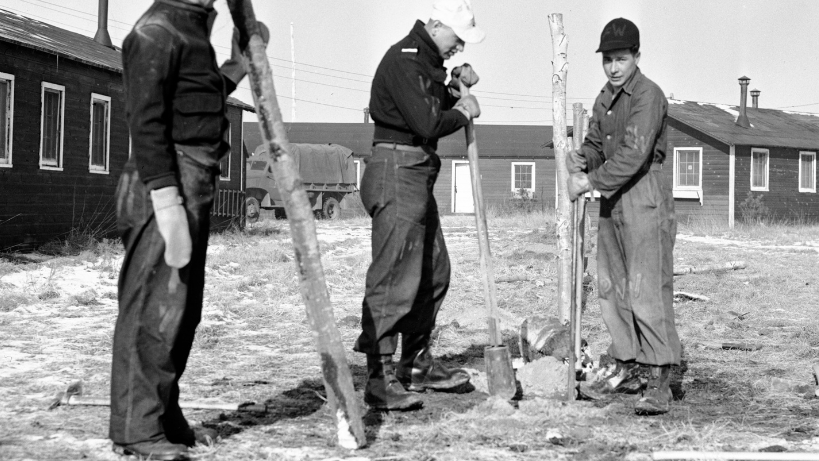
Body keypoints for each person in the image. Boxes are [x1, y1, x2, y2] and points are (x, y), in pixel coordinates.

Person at [109, 1, 266, 459]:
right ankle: (137, 429)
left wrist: (237, 65)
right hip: (165, 181)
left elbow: (198, 101)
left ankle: (163, 417)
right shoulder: (157, 31)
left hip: (193, 178)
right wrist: (165, 199)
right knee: (154, 311)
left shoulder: (189, 29)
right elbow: (146, 121)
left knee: (181, 311)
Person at [354, 0, 485, 411]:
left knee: (433, 270)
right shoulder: (405, 60)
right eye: (457, 38)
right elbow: (427, 122)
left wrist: (453, 88)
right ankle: (378, 379)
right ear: (436, 25)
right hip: (397, 170)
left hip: (415, 170)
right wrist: (462, 110)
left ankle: (415, 365)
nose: (459, 47)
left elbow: (429, 106)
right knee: (395, 276)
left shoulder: (425, 63)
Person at [566, 18, 680, 416]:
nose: (613, 68)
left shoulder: (648, 95)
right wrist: (583, 157)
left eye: (621, 59)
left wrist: (589, 180)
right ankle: (627, 365)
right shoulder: (604, 98)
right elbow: (598, 144)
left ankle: (659, 377)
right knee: (612, 286)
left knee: (647, 289)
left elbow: (633, 154)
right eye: (608, 60)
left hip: (644, 195)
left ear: (636, 56)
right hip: (612, 199)